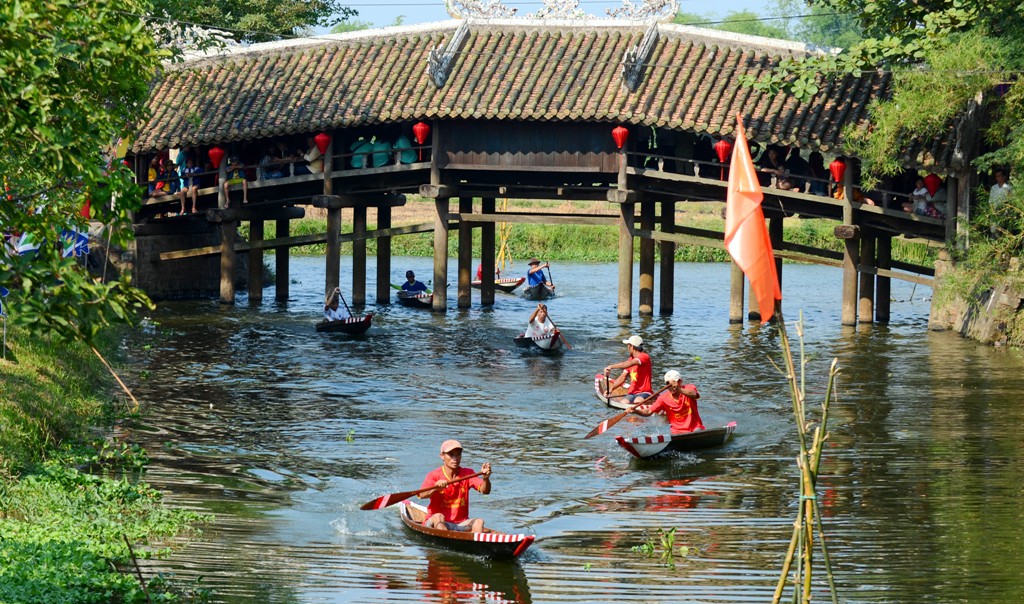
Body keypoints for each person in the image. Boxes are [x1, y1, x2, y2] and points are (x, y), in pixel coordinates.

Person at [420, 439, 491, 533]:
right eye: (451, 454)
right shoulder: (433, 475)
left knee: (479, 522)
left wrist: (485, 478)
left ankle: (474, 545)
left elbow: (485, 491)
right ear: (442, 456)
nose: (455, 458)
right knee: (438, 516)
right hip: (437, 521)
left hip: (460, 523)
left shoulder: (468, 473)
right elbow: (422, 494)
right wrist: (435, 488)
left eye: (458, 454)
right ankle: (446, 542)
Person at [633, 370, 704, 434]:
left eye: (674, 383)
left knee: (697, 431)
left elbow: (695, 395)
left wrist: (679, 389)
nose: (672, 386)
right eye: (668, 384)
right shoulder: (663, 398)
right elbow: (648, 411)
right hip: (677, 432)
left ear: (680, 382)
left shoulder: (689, 388)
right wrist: (635, 410)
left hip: (695, 429)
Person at [604, 334, 653, 403]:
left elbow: (628, 364)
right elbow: (622, 377)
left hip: (645, 392)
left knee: (637, 401)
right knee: (624, 402)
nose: (627, 347)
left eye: (628, 345)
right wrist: (611, 389)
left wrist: (611, 367)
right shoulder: (630, 359)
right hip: (632, 393)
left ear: (631, 346)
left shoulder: (644, 357)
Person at [989, 169, 1012, 234]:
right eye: (996, 176)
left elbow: (1009, 201)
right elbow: (991, 201)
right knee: (994, 232)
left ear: (1004, 177)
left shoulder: (1008, 188)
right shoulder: (993, 188)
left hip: (1004, 212)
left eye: (999, 176)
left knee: (1003, 231)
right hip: (994, 212)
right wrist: (993, 212)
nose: (997, 178)